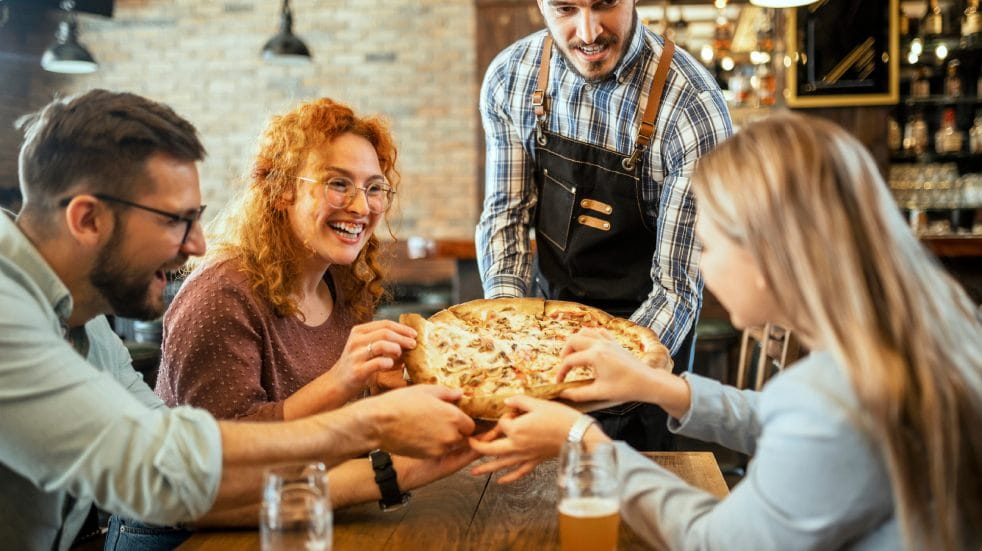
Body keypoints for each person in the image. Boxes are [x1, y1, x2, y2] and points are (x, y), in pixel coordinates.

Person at [471, 113, 982, 549]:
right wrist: (655, 386)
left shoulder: (828, 399)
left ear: (767, 256)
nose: (699, 264)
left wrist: (582, 440)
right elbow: (779, 423)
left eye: (709, 246)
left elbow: (711, 541)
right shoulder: (927, 333)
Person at [0, 89, 477, 551]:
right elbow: (150, 466)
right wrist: (370, 427)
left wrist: (390, 459)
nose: (197, 246)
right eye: (174, 220)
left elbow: (178, 467)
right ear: (87, 220)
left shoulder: (89, 324)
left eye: (197, 219)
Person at [475, 0, 732, 450]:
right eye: (566, 9)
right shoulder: (510, 78)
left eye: (604, 4)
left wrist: (615, 373)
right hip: (544, 344)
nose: (588, 31)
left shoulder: (691, 108)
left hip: (646, 357)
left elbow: (677, 287)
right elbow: (506, 217)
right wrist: (510, 336)